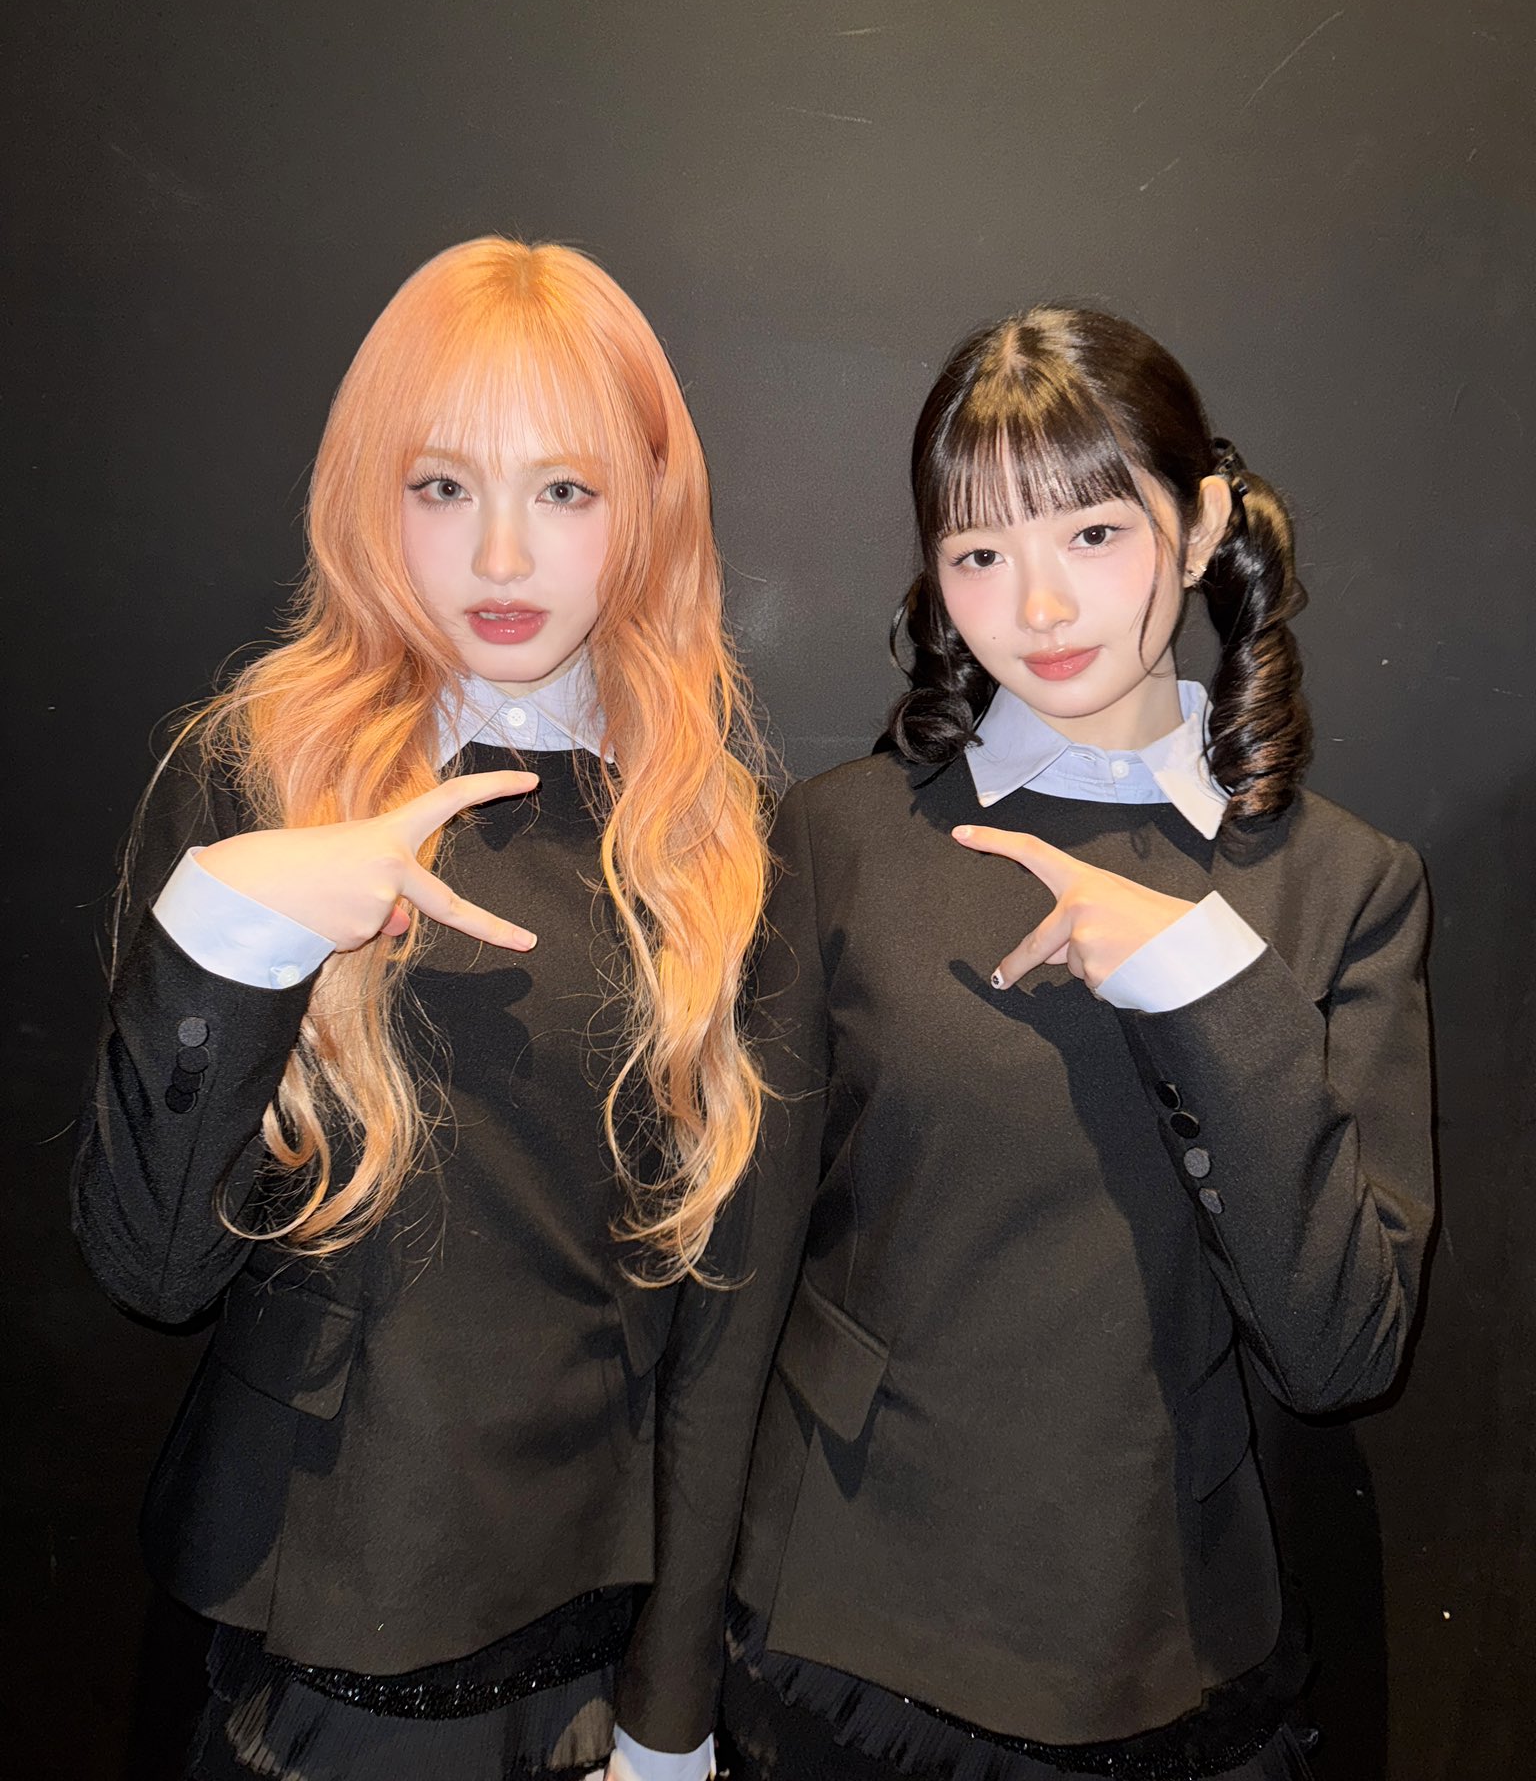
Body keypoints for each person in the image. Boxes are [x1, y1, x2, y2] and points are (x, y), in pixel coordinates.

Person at [648, 305, 1435, 1780]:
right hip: (849, 1630)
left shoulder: (1342, 886)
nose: (1042, 605)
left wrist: (1204, 980)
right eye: (980, 554)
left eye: (1094, 532)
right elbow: (731, 1296)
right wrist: (664, 1705)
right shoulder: (839, 840)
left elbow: (1341, 1351)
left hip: (1174, 1643)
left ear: (1201, 528)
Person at [71, 236, 768, 1781]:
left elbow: (718, 1316)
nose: (500, 557)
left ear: (648, 504)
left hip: (588, 1632)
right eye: (444, 486)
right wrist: (244, 929)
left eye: (563, 491)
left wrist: (675, 1706)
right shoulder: (257, 770)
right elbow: (149, 1266)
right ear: (368, 493)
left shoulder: (706, 831)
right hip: (301, 1627)